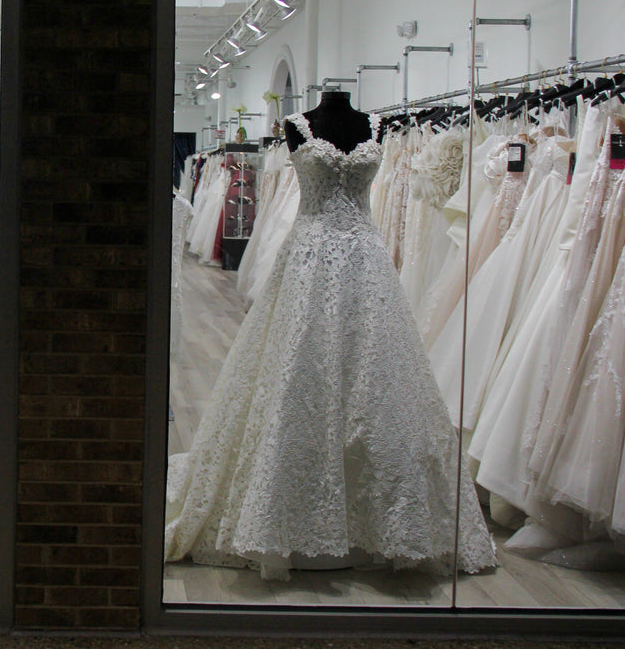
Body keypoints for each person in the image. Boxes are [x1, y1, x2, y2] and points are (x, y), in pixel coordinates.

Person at [165, 90, 496, 580]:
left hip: (367, 261)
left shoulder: (375, 124)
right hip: (308, 258)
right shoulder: (297, 124)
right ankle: (283, 515)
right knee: (299, 371)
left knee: (376, 381)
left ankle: (385, 520)